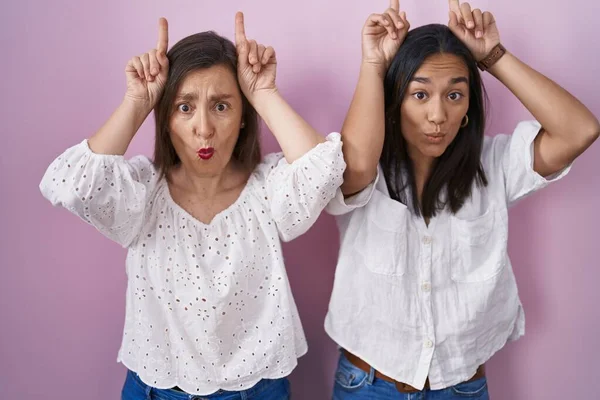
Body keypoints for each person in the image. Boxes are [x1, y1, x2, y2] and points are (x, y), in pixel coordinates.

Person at [39, 12, 345, 399]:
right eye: (184, 107)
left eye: (221, 106)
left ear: (244, 117)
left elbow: (327, 169)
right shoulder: (141, 193)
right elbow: (70, 184)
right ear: (165, 119)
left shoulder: (267, 190)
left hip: (257, 389)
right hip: (156, 389)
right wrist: (138, 101)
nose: (204, 128)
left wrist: (264, 92)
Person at [325, 0, 599, 398]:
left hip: (460, 388)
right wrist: (373, 64)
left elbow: (580, 130)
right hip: (367, 384)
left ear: (468, 105)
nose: (438, 115)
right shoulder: (368, 167)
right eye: (420, 95)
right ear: (395, 100)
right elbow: (357, 167)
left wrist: (492, 55)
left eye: (455, 95)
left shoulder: (496, 164)